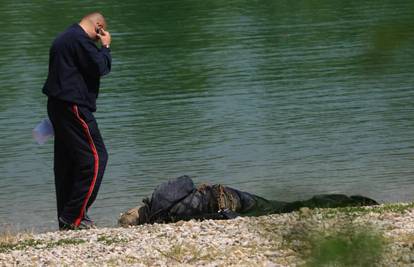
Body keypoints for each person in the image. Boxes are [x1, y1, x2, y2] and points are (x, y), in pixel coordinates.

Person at [43, 12, 112, 230]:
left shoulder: (64, 37)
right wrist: (106, 47)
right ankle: (73, 216)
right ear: (99, 27)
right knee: (96, 158)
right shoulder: (80, 40)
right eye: (99, 33)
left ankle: (66, 219)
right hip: (73, 107)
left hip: (57, 106)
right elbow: (100, 68)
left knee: (67, 164)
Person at [118, 176, 379, 226]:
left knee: (285, 208)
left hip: (227, 202)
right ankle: (350, 201)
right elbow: (186, 181)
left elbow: (202, 217)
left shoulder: (165, 217)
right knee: (287, 207)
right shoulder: (162, 199)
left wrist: (228, 218)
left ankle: (350, 202)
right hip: (227, 195)